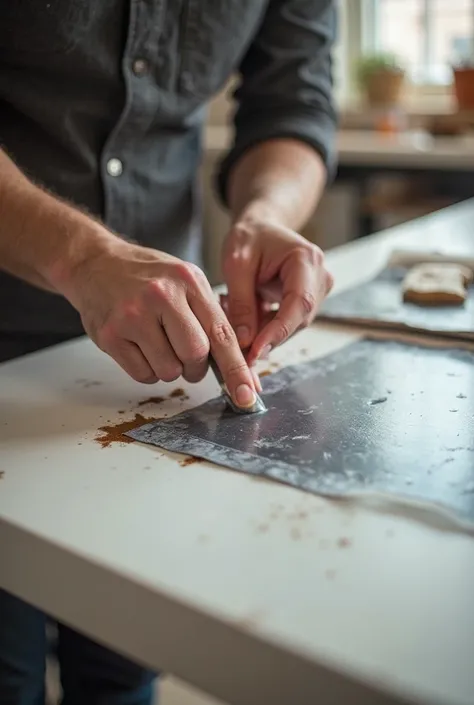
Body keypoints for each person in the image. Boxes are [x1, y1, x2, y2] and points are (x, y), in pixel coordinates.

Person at [0, 1, 337, 703]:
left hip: (149, 364)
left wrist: (265, 214)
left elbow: (292, 101)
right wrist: (79, 254)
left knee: (124, 665)